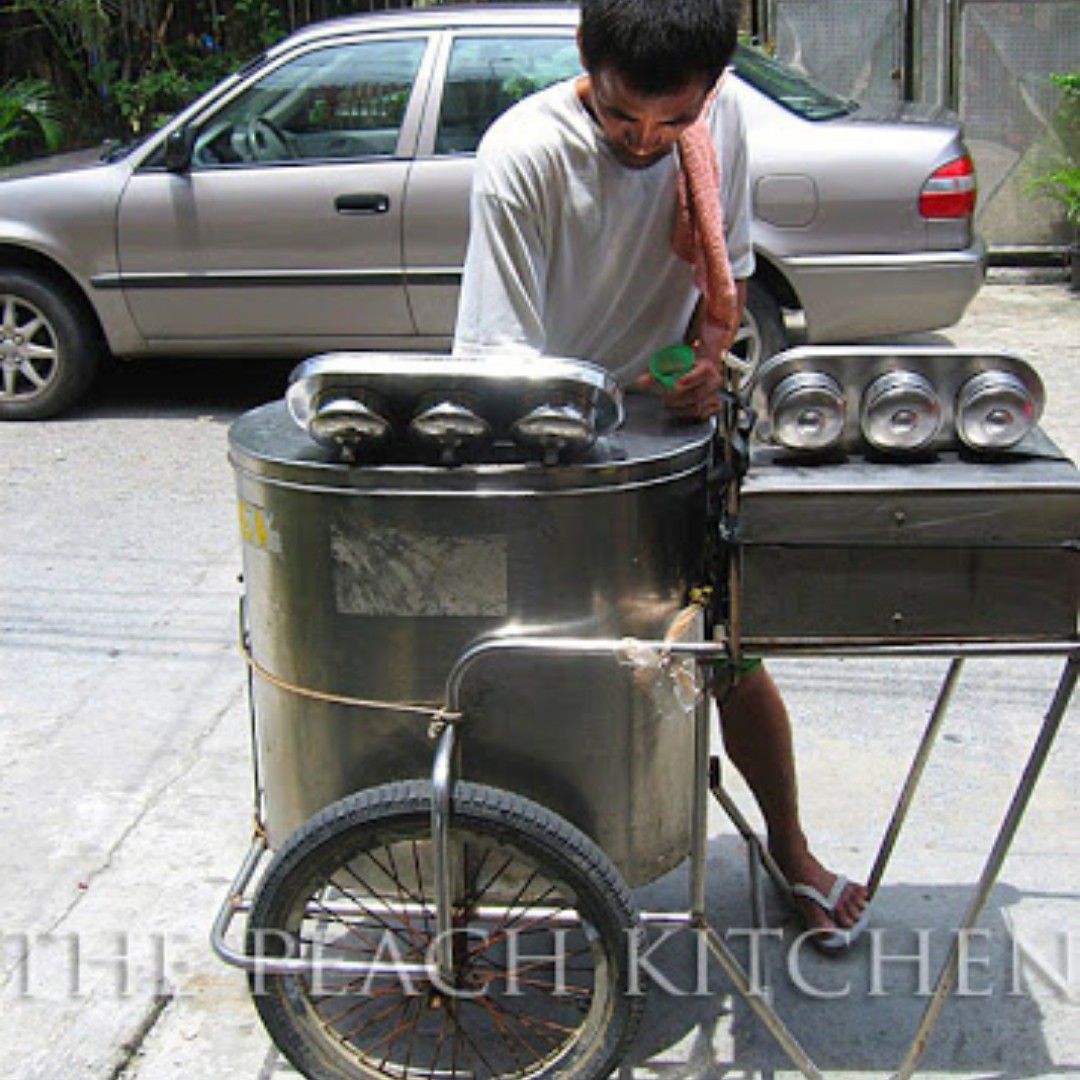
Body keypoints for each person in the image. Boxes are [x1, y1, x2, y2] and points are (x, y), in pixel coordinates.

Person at [454, 0, 868, 951]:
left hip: (672, 450)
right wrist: (580, 447)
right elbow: (498, 363)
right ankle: (483, 869)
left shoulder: (720, 123)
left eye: (670, 122)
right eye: (618, 116)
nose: (644, 142)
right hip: (541, 455)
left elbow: (718, 291)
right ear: (584, 65)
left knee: (728, 653)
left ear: (710, 90)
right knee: (525, 673)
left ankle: (791, 852)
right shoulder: (524, 154)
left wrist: (700, 370)